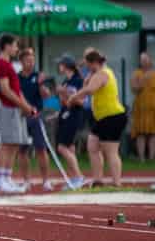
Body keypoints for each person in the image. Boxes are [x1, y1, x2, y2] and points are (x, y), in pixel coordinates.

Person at [71, 47, 127, 188]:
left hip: (112, 116)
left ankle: (116, 183)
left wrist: (74, 97)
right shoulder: (96, 73)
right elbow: (87, 84)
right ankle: (98, 180)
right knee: (93, 145)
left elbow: (90, 89)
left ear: (94, 63)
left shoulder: (103, 73)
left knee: (111, 151)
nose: (87, 68)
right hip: (102, 118)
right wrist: (89, 76)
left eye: (88, 65)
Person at [0, 33, 30, 194]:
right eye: (14, 45)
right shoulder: (1, 65)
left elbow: (16, 90)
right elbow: (5, 90)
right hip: (8, 108)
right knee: (6, 143)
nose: (16, 49)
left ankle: (7, 177)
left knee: (14, 143)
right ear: (6, 46)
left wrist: (27, 106)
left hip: (16, 108)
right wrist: (23, 105)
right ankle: (0, 180)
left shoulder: (8, 65)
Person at [17, 47, 57, 190]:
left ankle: (46, 180)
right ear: (21, 62)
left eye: (32, 60)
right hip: (21, 117)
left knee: (41, 148)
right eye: (28, 60)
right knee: (22, 150)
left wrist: (41, 84)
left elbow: (47, 95)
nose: (31, 63)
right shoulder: (17, 77)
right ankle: (26, 180)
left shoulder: (39, 76)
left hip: (37, 117)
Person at [53, 55, 90, 189]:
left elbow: (81, 101)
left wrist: (65, 93)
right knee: (69, 148)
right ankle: (74, 178)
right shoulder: (66, 81)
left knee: (61, 147)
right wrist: (59, 110)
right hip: (66, 115)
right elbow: (66, 103)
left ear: (67, 66)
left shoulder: (78, 81)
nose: (59, 66)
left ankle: (79, 177)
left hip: (74, 116)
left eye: (61, 64)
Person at [131, 50, 155, 163]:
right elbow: (134, 89)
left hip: (153, 108)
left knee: (153, 133)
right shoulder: (136, 74)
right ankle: (141, 158)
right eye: (142, 60)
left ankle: (151, 157)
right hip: (141, 108)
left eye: (145, 59)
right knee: (140, 133)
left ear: (150, 60)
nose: (144, 62)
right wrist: (144, 79)